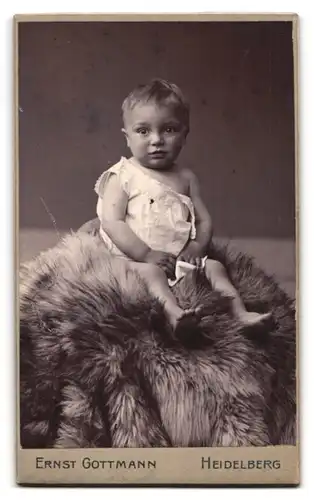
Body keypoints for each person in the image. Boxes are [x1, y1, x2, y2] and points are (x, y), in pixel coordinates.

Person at [94, 78, 271, 334]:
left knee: (215, 268)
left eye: (168, 130)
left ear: (185, 134)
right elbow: (112, 221)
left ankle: (240, 314)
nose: (156, 140)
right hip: (134, 259)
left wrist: (196, 246)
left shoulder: (186, 178)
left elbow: (203, 220)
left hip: (177, 258)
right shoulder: (122, 175)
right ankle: (174, 314)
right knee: (152, 276)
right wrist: (145, 254)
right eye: (143, 131)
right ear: (127, 137)